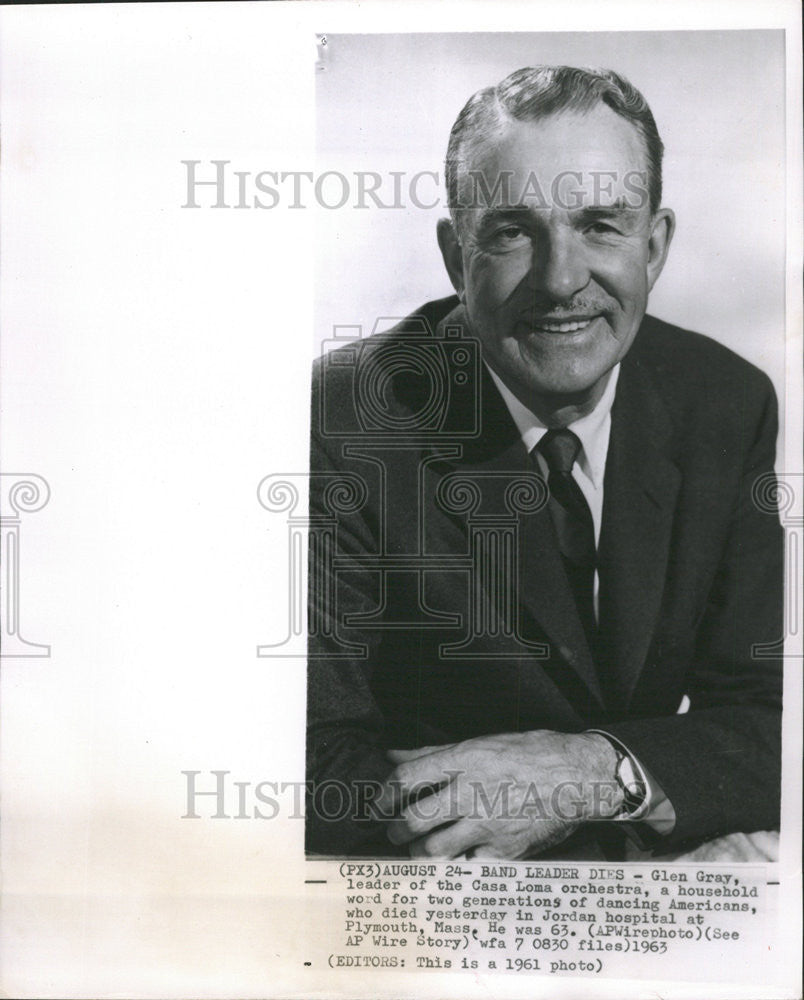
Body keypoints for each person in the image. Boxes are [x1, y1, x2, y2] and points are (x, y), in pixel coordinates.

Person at [306, 66, 783, 860]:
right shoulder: (347, 418)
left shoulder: (726, 404)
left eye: (601, 225)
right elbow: (309, 760)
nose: (562, 281)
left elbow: (772, 719)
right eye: (513, 231)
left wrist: (591, 775)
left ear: (656, 245)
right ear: (458, 255)